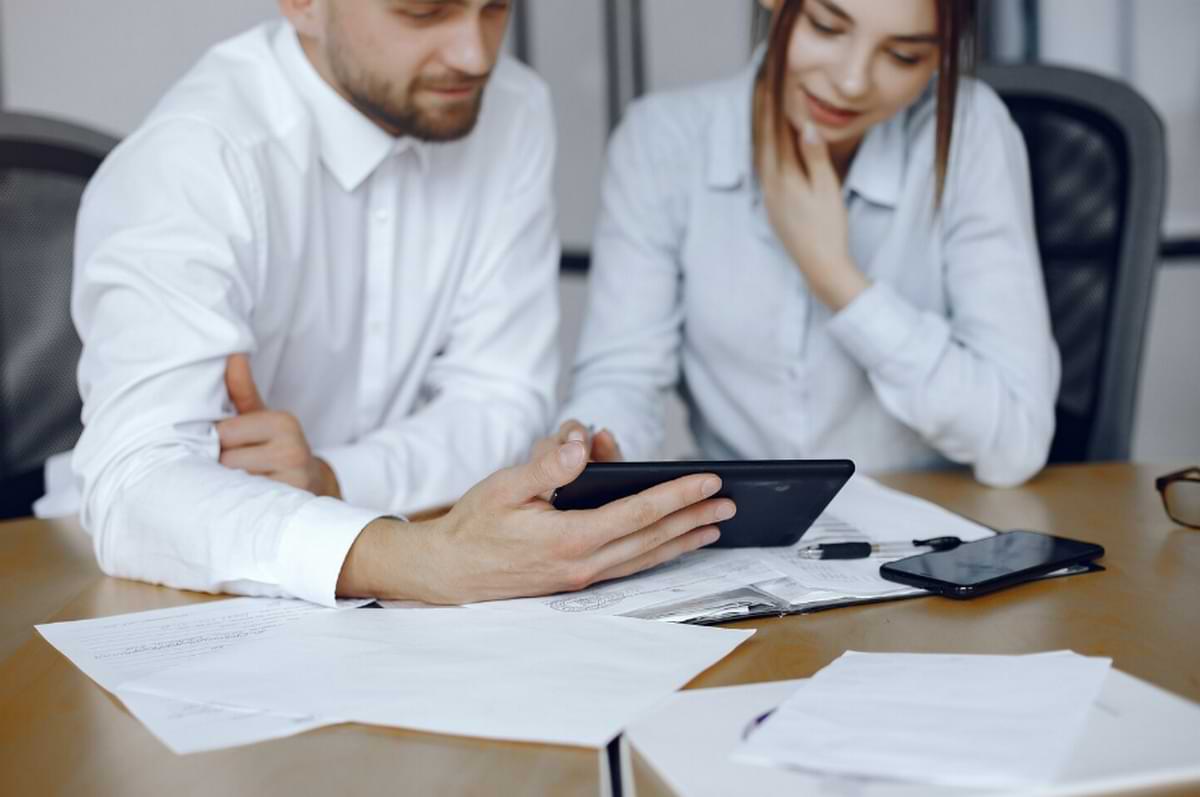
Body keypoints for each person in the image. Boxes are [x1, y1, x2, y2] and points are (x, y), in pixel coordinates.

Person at [59, 0, 734, 607]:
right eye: (424, 12)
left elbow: (499, 401)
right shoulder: (195, 157)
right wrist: (422, 560)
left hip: (387, 587)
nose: (475, 55)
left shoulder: (511, 108)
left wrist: (331, 478)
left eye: (495, 8)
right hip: (124, 586)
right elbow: (135, 486)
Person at [554, 0, 1060, 488]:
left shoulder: (969, 132)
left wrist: (836, 278)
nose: (852, 82)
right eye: (826, 27)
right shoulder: (662, 140)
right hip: (734, 526)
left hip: (934, 525)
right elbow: (624, 379)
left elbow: (1016, 441)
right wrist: (597, 448)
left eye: (903, 56)